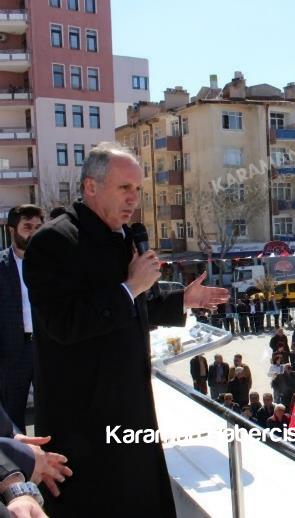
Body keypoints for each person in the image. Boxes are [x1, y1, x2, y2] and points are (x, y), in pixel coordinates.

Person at [22, 142, 230, 517]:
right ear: (90, 187)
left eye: (138, 189)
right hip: (85, 426)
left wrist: (182, 300)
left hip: (131, 413)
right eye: (124, 188)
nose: (134, 199)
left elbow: (131, 307)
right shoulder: (54, 241)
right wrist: (132, 287)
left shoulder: (120, 238)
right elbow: (65, 324)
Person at [0, 204, 43, 430]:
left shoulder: (51, 266)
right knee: (12, 414)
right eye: (27, 227)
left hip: (45, 347)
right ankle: (18, 462)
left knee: (51, 409)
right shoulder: (1, 266)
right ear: (11, 230)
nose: (34, 232)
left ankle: (52, 460)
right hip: (12, 352)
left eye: (38, 227)